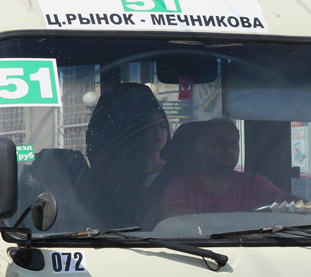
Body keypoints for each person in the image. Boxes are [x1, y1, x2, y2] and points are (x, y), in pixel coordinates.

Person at [157, 117, 292, 216]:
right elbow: (174, 230)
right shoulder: (182, 187)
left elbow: (292, 204)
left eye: (233, 144)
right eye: (219, 143)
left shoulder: (253, 183)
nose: (229, 149)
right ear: (200, 148)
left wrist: (308, 208)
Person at [81, 83, 171, 227]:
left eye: (162, 126)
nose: (158, 132)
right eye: (149, 126)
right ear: (135, 132)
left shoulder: (175, 174)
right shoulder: (115, 178)